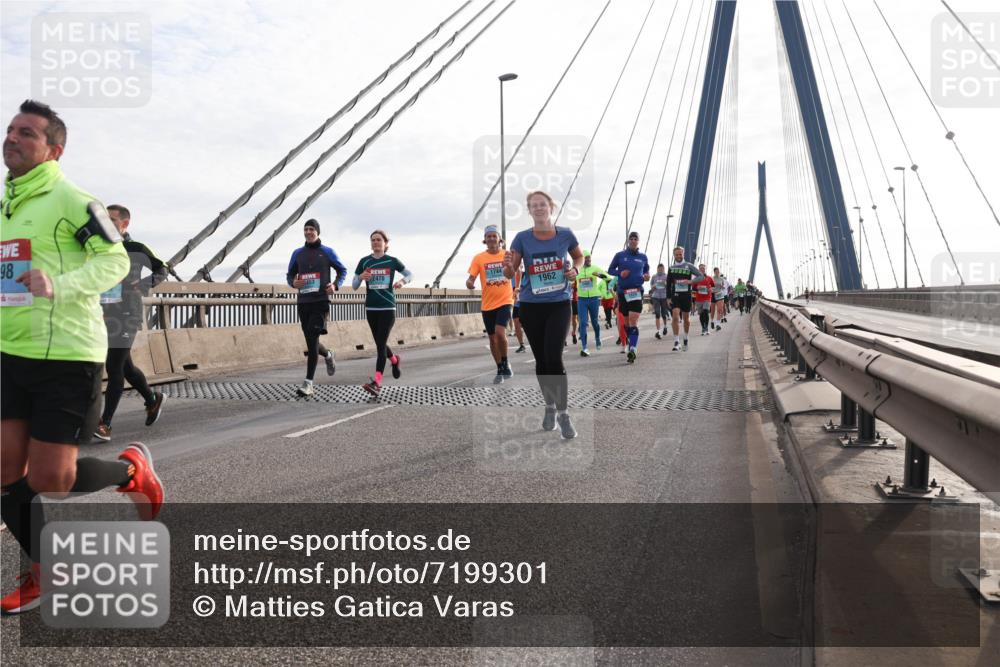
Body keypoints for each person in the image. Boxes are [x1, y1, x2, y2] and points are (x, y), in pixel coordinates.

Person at [1, 100, 163, 614]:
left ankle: (130, 471)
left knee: (52, 480)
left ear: (54, 149)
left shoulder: (74, 200)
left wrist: (61, 284)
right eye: (10, 130)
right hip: (10, 351)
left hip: (67, 354)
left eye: (27, 133)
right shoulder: (7, 204)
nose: (13, 138)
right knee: (5, 474)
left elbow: (115, 260)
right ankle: (44, 573)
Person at [503, 191, 582, 439]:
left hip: (559, 303)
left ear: (551, 207)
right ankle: (549, 405)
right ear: (529, 210)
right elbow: (509, 273)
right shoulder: (522, 238)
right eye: (533, 205)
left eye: (542, 204)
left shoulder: (565, 234)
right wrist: (507, 266)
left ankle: (563, 413)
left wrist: (575, 271)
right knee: (541, 361)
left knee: (554, 357)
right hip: (531, 305)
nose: (538, 208)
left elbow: (578, 257)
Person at [93, 205, 168, 441]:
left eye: (112, 219)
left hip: (127, 313)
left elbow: (162, 268)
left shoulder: (136, 248)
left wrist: (145, 284)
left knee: (114, 367)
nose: (107, 221)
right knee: (126, 367)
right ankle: (152, 399)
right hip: (105, 312)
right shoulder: (99, 247)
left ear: (125, 224)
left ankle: (105, 424)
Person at [287, 219, 346, 397]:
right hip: (304, 302)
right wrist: (293, 283)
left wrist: (335, 285)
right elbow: (290, 275)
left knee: (312, 337)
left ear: (318, 232)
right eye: (306, 229)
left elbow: (342, 271)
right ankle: (328, 354)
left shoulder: (327, 252)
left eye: (311, 229)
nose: (308, 232)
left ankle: (308, 383)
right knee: (311, 342)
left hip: (320, 301)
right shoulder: (298, 253)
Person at [354, 229, 412, 396]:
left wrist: (402, 281)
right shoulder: (364, 261)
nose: (376, 243)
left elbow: (410, 274)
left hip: (388, 307)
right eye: (373, 240)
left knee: (380, 345)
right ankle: (394, 360)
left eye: (379, 240)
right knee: (381, 342)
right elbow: (355, 285)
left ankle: (377, 382)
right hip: (371, 308)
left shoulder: (392, 261)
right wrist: (361, 277)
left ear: (385, 244)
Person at [467, 225, 514, 383]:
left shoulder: (507, 255)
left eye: (495, 236)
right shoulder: (479, 258)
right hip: (487, 304)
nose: (492, 239)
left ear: (500, 239)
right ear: (485, 240)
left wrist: (517, 286)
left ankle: (506, 362)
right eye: (489, 236)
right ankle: (500, 368)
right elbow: (471, 277)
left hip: (506, 300)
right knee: (492, 339)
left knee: (500, 333)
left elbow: (515, 272)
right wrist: (469, 282)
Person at [608, 231, 650, 364]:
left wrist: (647, 275)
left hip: (637, 291)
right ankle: (630, 341)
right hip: (622, 292)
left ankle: (633, 348)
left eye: (635, 238)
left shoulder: (643, 257)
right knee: (626, 322)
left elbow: (646, 270)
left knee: (633, 320)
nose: (633, 240)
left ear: (638, 241)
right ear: (628, 241)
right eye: (631, 238)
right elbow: (610, 270)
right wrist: (620, 273)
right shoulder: (620, 255)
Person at [666, 246, 703, 351]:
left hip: (686, 295)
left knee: (686, 319)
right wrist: (668, 298)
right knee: (675, 317)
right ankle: (676, 341)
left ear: (683, 254)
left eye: (680, 254)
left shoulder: (689, 266)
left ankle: (686, 337)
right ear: (674, 255)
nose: (678, 256)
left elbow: (701, 276)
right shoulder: (671, 268)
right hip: (675, 295)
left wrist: (691, 282)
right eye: (676, 254)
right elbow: (668, 284)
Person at [574, 250, 610, 357]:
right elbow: (571, 281)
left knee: (595, 322)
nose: (589, 259)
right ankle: (584, 348)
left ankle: (598, 338)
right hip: (582, 300)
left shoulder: (595, 268)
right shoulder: (578, 270)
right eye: (586, 258)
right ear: (582, 259)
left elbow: (608, 277)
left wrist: (598, 275)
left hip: (594, 299)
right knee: (583, 323)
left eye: (590, 257)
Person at [649, 263, 670, 340]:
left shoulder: (667, 276)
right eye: (659, 269)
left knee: (664, 314)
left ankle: (665, 326)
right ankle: (658, 331)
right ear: (657, 269)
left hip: (664, 297)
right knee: (657, 313)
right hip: (656, 297)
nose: (660, 270)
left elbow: (670, 285)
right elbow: (651, 286)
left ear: (664, 269)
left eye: (662, 269)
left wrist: (666, 284)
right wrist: (653, 286)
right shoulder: (654, 276)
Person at [693, 263, 715, 336]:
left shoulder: (709, 278)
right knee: (701, 314)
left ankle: (707, 328)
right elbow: (693, 288)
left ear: (705, 269)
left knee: (706, 311)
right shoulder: (696, 278)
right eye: (701, 268)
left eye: (703, 268)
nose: (702, 269)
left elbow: (713, 286)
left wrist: (710, 289)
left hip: (707, 298)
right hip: (699, 298)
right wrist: (697, 288)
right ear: (698, 270)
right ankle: (703, 328)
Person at [710, 267, 727, 332]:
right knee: (713, 310)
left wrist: (722, 287)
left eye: (718, 271)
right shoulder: (712, 278)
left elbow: (723, 286)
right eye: (716, 271)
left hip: (720, 294)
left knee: (720, 309)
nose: (717, 272)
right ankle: (712, 321)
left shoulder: (721, 279)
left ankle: (718, 324)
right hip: (713, 294)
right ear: (714, 272)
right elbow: (709, 286)